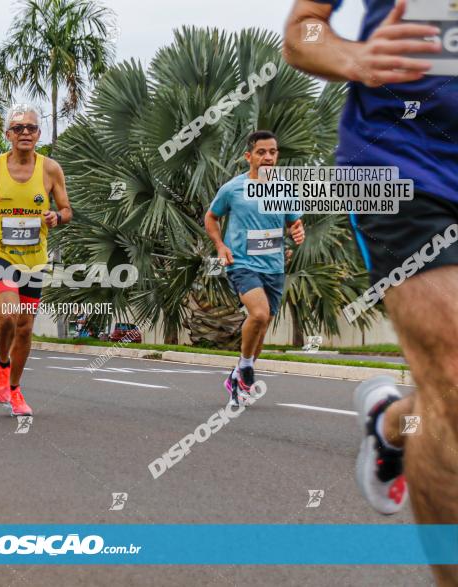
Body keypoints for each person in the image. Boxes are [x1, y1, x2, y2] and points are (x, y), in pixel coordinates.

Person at [284, 2, 458, 582]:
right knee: (455, 379)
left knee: (440, 396)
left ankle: (390, 426)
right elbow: (303, 29)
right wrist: (351, 56)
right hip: (407, 163)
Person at [0, 104, 72, 417]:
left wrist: (56, 216)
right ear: (8, 134)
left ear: (38, 135)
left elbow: (66, 209)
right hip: (0, 253)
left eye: (31, 128)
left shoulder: (50, 169)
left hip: (34, 259)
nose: (25, 133)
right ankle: (1, 364)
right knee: (9, 314)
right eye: (19, 128)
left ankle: (13, 389)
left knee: (24, 328)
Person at [204, 130, 305, 407]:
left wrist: (298, 233)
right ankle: (246, 367)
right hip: (242, 263)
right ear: (249, 156)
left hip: (273, 267)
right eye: (261, 152)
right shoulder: (233, 188)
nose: (268, 157)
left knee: (262, 326)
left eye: (272, 152)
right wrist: (220, 246)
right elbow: (211, 217)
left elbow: (294, 223)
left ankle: (237, 376)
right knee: (258, 314)